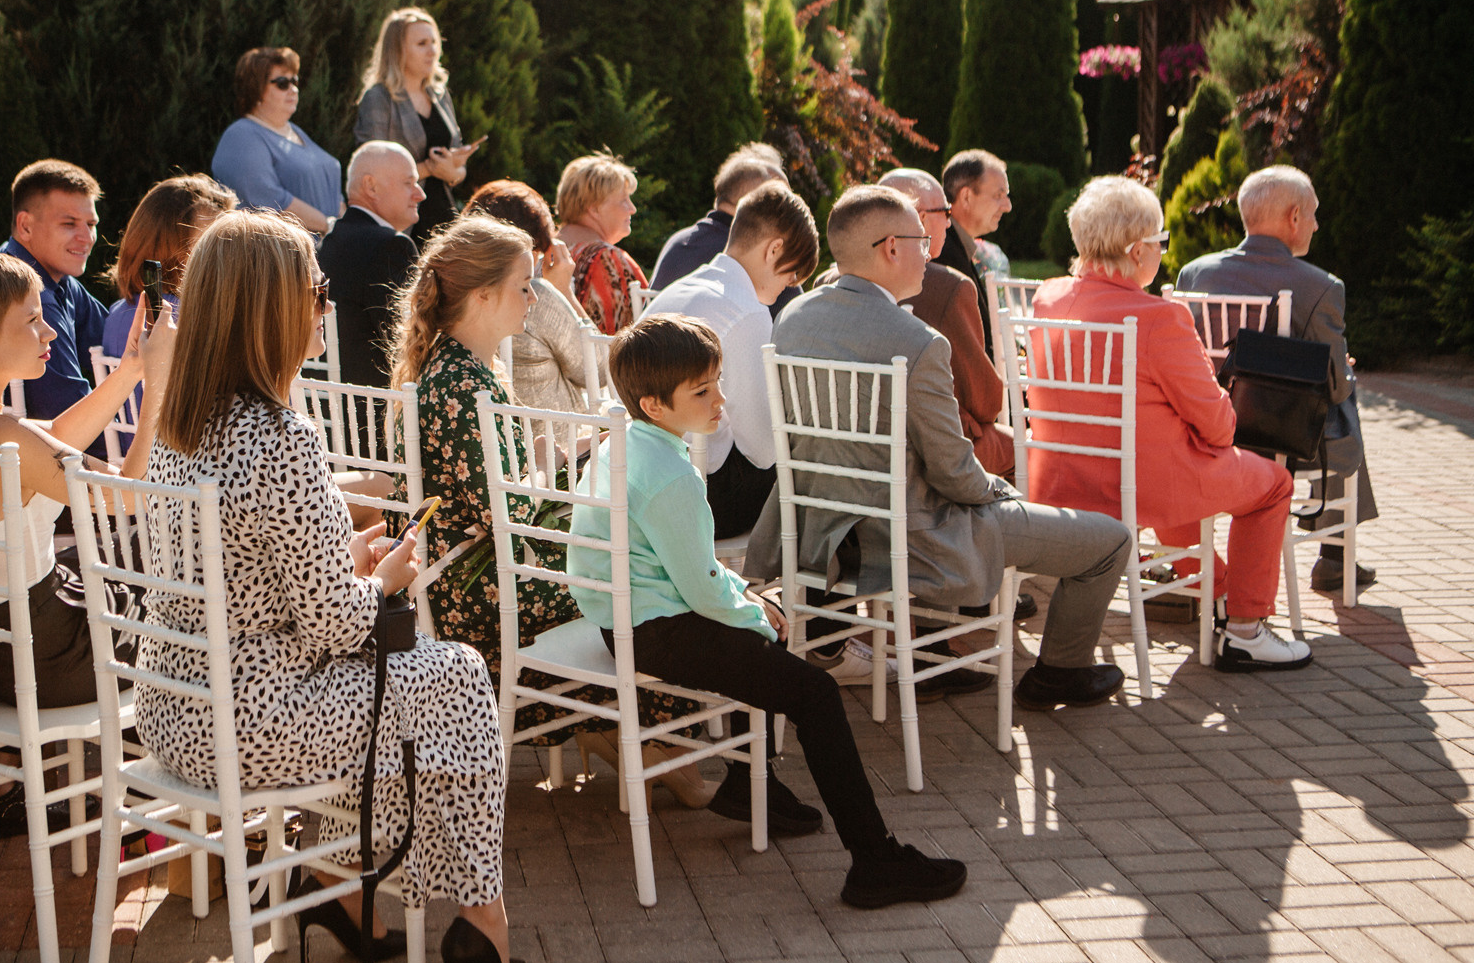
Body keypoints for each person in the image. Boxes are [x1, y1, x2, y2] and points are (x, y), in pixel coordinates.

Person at [140, 210, 521, 963]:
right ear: (270, 307)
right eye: (317, 289)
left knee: (413, 699)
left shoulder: (182, 423)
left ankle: (343, 888)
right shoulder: (282, 435)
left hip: (173, 710)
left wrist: (348, 560)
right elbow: (341, 624)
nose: (327, 303)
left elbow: (247, 578)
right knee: (456, 678)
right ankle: (481, 918)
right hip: (252, 721)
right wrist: (382, 578)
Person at [571, 315, 969, 906]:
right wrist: (757, 612)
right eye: (702, 391)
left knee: (759, 621)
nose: (721, 400)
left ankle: (747, 782)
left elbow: (692, 574)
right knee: (815, 691)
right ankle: (874, 859)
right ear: (654, 404)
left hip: (622, 620)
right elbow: (706, 592)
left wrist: (748, 603)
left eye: (717, 382)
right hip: (658, 630)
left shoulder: (619, 447)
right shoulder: (673, 475)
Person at [748, 186, 1135, 711]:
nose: (930, 251)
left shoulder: (793, 318)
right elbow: (955, 473)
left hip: (820, 530)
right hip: (911, 537)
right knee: (1110, 539)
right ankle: (1061, 673)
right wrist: (1000, 491)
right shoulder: (918, 340)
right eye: (922, 241)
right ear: (890, 248)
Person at [390, 215, 716, 813]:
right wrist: (580, 469)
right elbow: (507, 510)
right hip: (484, 591)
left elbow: (499, 481)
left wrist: (561, 454)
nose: (534, 296)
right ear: (483, 296)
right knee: (647, 582)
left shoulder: (459, 368)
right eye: (523, 284)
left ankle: (635, 740)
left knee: (632, 558)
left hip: (459, 575)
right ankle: (658, 746)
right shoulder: (466, 386)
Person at [1030, 177, 1311, 672]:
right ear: (1138, 251)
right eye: (1161, 242)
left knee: (1177, 477)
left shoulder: (1049, 300)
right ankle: (1245, 629)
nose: (1162, 251)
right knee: (1274, 484)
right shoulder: (1160, 318)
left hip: (1059, 480)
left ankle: (1223, 593)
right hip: (1142, 487)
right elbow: (1221, 429)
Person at [0, 247, 170, 706]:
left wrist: (133, 368)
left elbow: (55, 436)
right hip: (48, 655)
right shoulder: (0, 436)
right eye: (32, 320)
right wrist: (160, 386)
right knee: (191, 601)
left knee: (145, 566)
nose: (49, 330)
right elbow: (134, 495)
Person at [1175, 165, 1377, 592]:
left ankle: (1338, 556)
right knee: (1344, 397)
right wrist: (1343, 371)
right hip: (1274, 439)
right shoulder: (1320, 286)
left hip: (1201, 428)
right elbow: (1336, 387)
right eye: (1314, 214)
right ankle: (1337, 554)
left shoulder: (1194, 273)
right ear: (1294, 217)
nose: (1318, 225)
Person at [641, 182, 819, 537]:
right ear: (774, 250)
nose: (789, 285)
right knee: (808, 468)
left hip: (642, 475)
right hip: (700, 496)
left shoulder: (681, 288)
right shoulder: (747, 311)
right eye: (792, 274)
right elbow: (763, 450)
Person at [876, 168, 1013, 478]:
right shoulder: (947, 287)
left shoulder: (829, 281)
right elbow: (987, 401)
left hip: (862, 450)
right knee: (1025, 448)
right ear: (921, 218)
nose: (950, 222)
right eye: (946, 212)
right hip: (933, 456)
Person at [0, 160, 112, 456]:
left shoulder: (47, 274)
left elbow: (114, 337)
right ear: (25, 226)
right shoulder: (35, 297)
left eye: (91, 225)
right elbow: (70, 416)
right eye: (69, 224)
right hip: (41, 470)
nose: (87, 238)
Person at [462, 179, 593, 416]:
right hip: (560, 444)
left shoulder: (453, 287)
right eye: (538, 251)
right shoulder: (535, 295)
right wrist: (564, 292)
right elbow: (598, 370)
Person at [354, 7, 479, 243]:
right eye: (422, 43)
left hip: (443, 216)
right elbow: (372, 168)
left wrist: (454, 170)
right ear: (397, 51)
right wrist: (430, 168)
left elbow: (457, 170)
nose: (432, 51)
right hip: (400, 223)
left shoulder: (439, 94)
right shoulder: (379, 98)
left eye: (434, 42)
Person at [317, 141, 425, 389]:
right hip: (377, 415)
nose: (420, 194)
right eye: (409, 183)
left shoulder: (325, 246)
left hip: (325, 412)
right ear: (371, 186)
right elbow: (412, 345)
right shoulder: (392, 248)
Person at [652, 142, 801, 318]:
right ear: (753, 203)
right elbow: (799, 320)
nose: (789, 213)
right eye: (780, 201)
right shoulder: (754, 256)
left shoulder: (677, 242)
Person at [212, 46, 343, 233]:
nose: (293, 89)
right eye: (282, 83)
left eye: (294, 81)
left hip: (326, 251)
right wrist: (328, 226)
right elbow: (268, 199)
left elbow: (332, 191)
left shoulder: (296, 132)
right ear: (255, 90)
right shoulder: (241, 137)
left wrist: (345, 228)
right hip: (278, 255)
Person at [103, 174, 236, 356]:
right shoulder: (192, 317)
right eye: (207, 245)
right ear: (165, 248)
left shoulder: (117, 313)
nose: (225, 255)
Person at [557, 152, 649, 335]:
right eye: (624, 200)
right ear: (595, 209)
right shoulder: (607, 259)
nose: (632, 209)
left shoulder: (544, 251)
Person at [937, 150, 1012, 352]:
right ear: (967, 197)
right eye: (998, 195)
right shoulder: (941, 250)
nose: (1008, 206)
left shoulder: (953, 242)